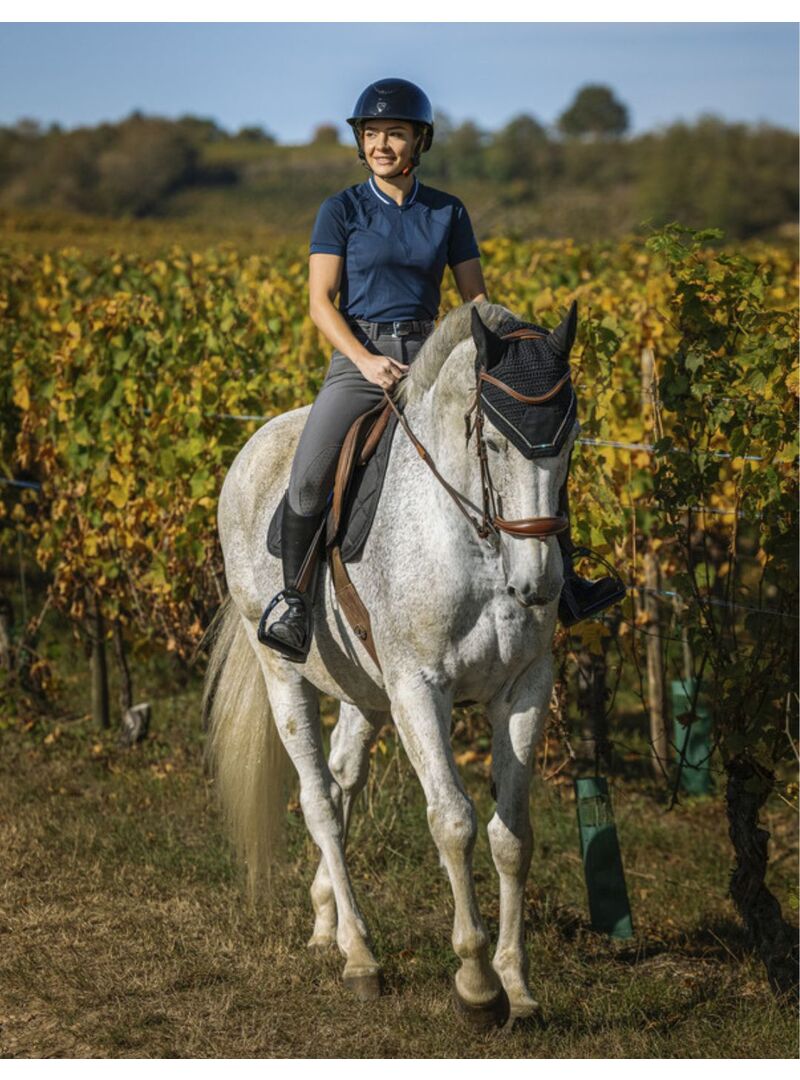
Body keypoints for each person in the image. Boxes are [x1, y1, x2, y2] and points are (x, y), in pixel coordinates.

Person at [259, 77, 623, 663]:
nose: (381, 145)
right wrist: (365, 360)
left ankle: (570, 579)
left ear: (419, 141)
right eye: (371, 134)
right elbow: (319, 303)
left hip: (434, 356)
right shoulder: (341, 210)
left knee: (529, 444)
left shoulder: (447, 211)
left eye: (395, 134)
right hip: (362, 359)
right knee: (308, 473)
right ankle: (294, 602)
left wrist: (510, 352)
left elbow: (476, 302)